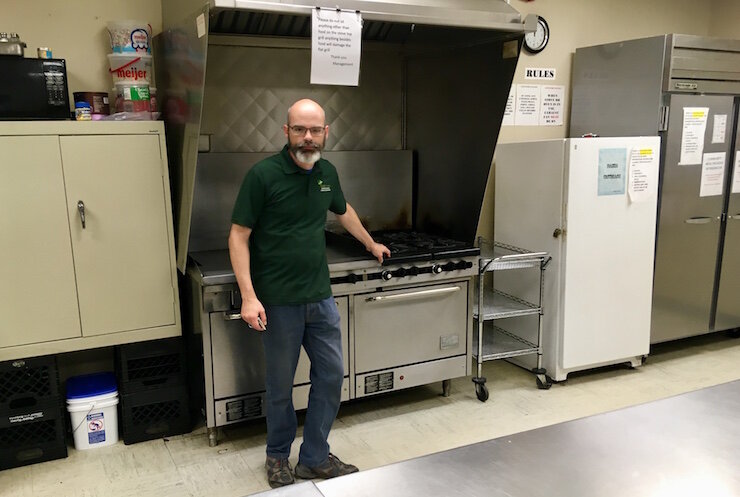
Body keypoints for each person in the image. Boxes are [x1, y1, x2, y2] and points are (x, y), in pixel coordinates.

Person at [228, 98, 390, 488]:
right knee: (280, 385)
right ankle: (278, 457)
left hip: (319, 296)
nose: (308, 137)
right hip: (278, 301)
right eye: (299, 129)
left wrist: (370, 244)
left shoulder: (326, 172)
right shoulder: (263, 176)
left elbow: (342, 208)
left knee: (332, 375)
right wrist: (249, 296)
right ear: (286, 132)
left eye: (315, 130)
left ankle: (314, 457)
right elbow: (238, 235)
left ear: (326, 133)